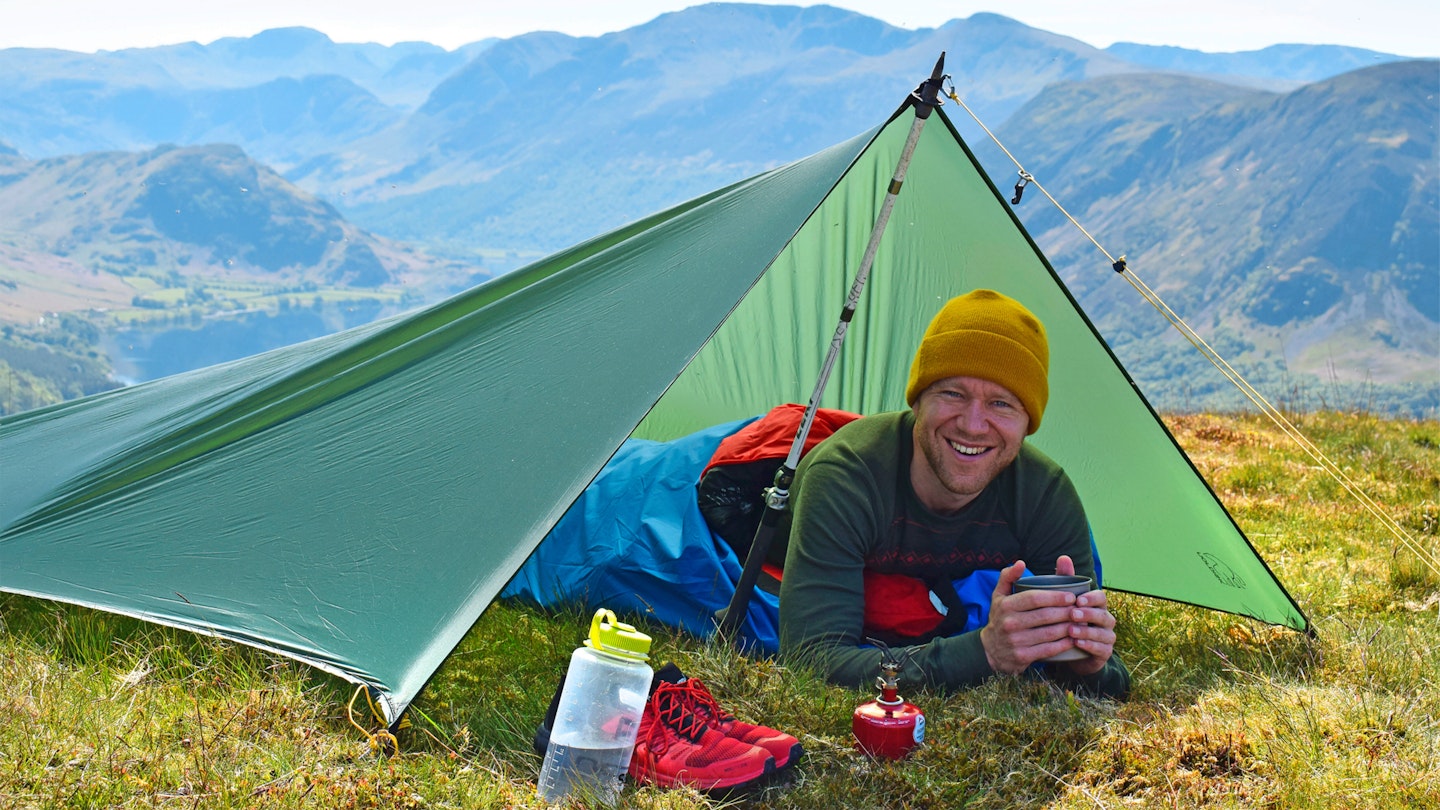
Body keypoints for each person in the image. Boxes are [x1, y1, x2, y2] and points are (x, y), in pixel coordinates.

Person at [776, 289, 1130, 699]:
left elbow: (1106, 673)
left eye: (1001, 404)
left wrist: (1088, 665)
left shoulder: (1044, 494)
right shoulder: (846, 479)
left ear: (1027, 422)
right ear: (918, 400)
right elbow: (811, 660)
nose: (973, 425)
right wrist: (983, 653)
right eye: (953, 394)